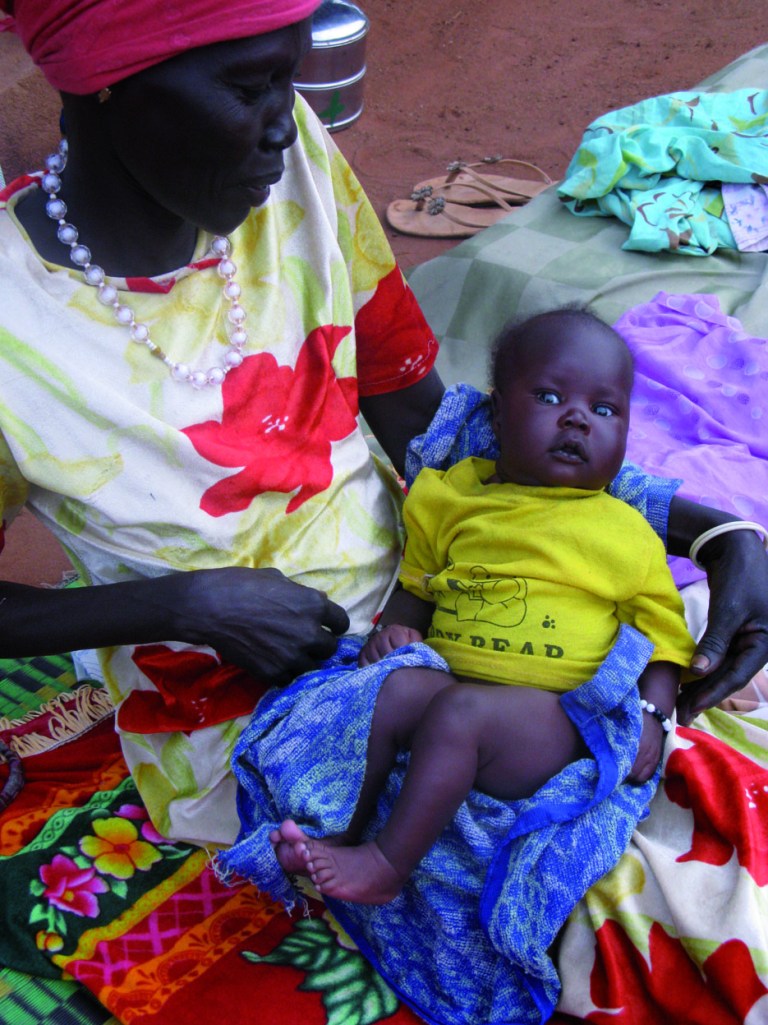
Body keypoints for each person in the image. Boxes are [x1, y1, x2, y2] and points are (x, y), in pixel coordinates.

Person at [0, 0, 765, 854]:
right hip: (247, 707)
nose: (284, 129)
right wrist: (188, 604)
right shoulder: (12, 321)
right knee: (612, 853)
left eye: (289, 79)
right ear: (105, 84)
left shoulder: (291, 167)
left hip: (446, 602)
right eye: (249, 87)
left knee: (692, 769)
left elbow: (418, 418)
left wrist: (711, 529)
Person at [271, 309, 695, 904]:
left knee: (462, 713)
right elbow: (418, 587)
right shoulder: (453, 497)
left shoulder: (626, 532)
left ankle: (386, 867)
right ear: (497, 413)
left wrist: (653, 714)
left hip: (552, 724)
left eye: (604, 410)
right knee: (392, 691)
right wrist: (394, 636)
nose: (577, 417)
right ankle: (340, 829)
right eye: (550, 396)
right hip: (450, 691)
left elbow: (666, 635)